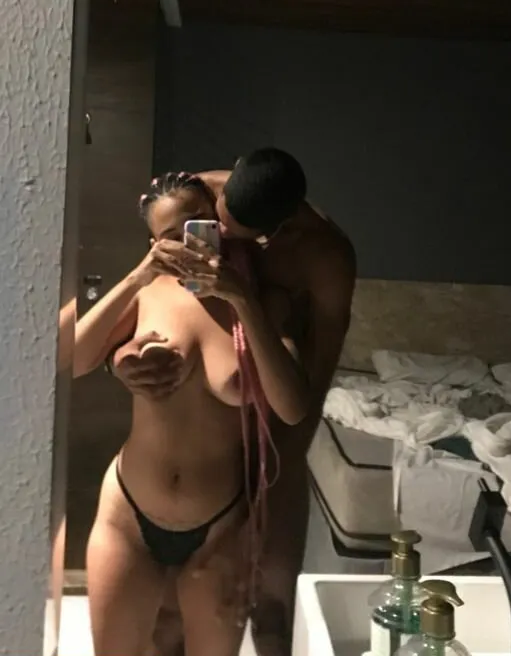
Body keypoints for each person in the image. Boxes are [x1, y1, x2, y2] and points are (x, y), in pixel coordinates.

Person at [108, 150, 357, 656]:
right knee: (169, 616)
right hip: (204, 437)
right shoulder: (197, 192)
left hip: (275, 411)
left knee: (272, 610)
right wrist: (121, 361)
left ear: (274, 231)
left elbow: (319, 366)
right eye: (216, 221)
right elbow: (145, 298)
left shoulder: (324, 256)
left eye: (236, 234)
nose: (217, 234)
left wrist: (282, 462)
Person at [74, 171, 309, 656]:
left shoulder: (264, 300)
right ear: (154, 244)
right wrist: (139, 275)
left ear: (220, 221)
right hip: (128, 514)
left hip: (220, 526)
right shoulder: (150, 293)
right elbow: (72, 360)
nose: (190, 242)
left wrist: (239, 296)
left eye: (198, 224)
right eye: (171, 236)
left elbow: (291, 407)